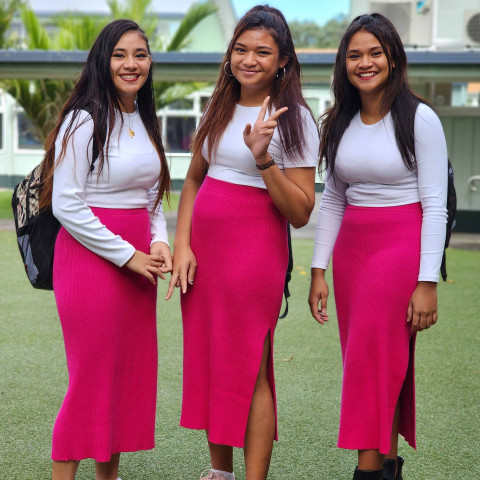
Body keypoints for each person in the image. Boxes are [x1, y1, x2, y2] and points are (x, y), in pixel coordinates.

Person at [166, 5, 319, 480]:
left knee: (250, 365)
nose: (249, 59)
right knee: (213, 360)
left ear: (283, 62)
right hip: (204, 252)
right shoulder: (217, 106)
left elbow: (300, 212)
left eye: (262, 52)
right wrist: (183, 244)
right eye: (241, 48)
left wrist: (263, 160)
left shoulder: (294, 121)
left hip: (254, 251)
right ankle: (220, 473)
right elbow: (192, 180)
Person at [308, 13, 448, 480]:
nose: (365, 62)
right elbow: (333, 197)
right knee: (374, 363)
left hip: (399, 245)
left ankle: (367, 471)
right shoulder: (341, 119)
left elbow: (435, 205)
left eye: (374, 52)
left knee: (371, 364)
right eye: (354, 55)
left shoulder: (419, 117)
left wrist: (427, 281)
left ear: (393, 57)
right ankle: (387, 467)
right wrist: (317, 270)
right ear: (343, 63)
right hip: (353, 251)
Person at [40, 19, 172, 480]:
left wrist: (158, 240)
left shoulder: (143, 117)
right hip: (91, 260)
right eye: (120, 55)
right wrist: (130, 255)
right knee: (91, 381)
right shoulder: (83, 119)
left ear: (150, 61)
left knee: (122, 382)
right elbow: (67, 204)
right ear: (103, 60)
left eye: (140, 54)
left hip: (139, 264)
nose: (131, 64)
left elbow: (151, 194)